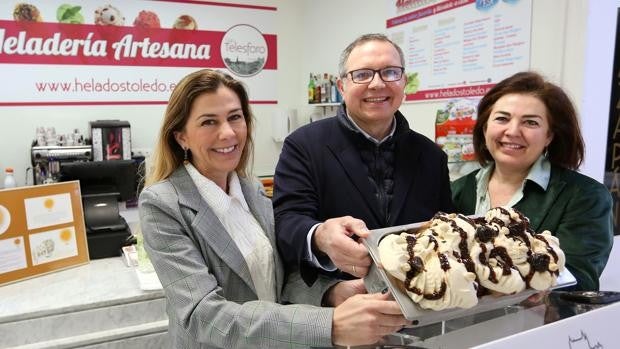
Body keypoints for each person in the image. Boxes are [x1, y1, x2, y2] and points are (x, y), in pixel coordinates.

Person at [139, 69, 409, 348]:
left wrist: (331, 294)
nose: (228, 133)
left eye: (235, 117)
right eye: (209, 122)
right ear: (181, 136)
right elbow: (203, 315)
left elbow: (276, 280)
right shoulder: (162, 205)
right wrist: (330, 326)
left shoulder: (250, 189)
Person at [273, 33, 455, 286]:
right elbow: (287, 220)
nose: (377, 84)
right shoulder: (303, 145)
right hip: (341, 304)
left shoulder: (431, 155)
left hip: (420, 300)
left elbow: (447, 228)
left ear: (404, 81)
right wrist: (320, 236)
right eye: (362, 75)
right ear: (341, 86)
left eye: (390, 72)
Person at [451, 71, 614, 291]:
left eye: (530, 122)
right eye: (502, 118)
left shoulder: (585, 196)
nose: (512, 131)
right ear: (485, 126)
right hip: (460, 324)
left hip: (538, 323)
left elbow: (579, 280)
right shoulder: (458, 191)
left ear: (549, 135)